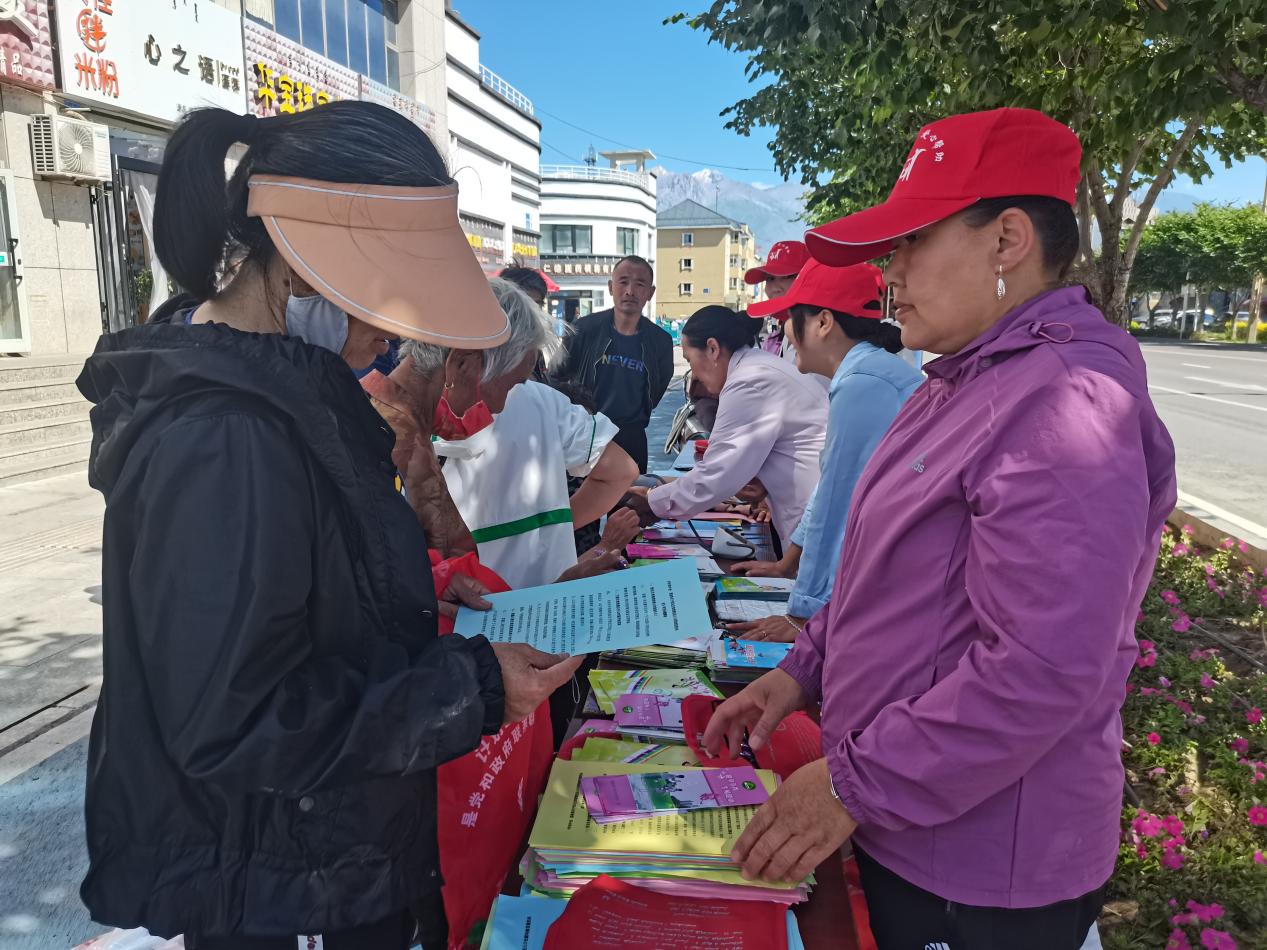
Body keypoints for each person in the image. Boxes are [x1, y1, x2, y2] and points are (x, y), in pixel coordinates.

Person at [75, 103, 582, 950]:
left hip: (320, 861)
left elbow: (286, 598)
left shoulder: (279, 400)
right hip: (282, 885)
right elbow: (233, 717)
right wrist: (474, 688)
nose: (390, 337)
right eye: (382, 301)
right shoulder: (226, 433)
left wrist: (399, 596)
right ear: (302, 271)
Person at [703, 108, 1176, 950]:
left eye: (911, 242)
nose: (888, 271)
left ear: (1006, 241)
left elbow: (1040, 667)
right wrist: (801, 673)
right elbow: (886, 579)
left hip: (978, 861)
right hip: (907, 816)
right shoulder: (958, 381)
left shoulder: (1063, 400)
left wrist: (849, 785)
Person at [727, 260, 923, 642]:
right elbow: (828, 485)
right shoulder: (864, 372)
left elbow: (837, 503)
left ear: (823, 322)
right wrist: (787, 564)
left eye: (790, 317)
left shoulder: (864, 383)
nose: (785, 331)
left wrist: (803, 617)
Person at [621, 306, 827, 544]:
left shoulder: (749, 382)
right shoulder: (757, 367)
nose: (694, 375)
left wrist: (652, 499)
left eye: (689, 360)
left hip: (811, 522)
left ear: (713, 349)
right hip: (809, 516)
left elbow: (716, 474)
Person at [556, 255, 673, 473]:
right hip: (585, 435)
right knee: (582, 494)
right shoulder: (584, 329)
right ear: (611, 287)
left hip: (632, 438)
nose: (630, 291)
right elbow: (557, 376)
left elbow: (656, 390)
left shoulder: (661, 341)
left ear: (650, 293)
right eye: (623, 282)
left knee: (632, 493)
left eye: (640, 284)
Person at [744, 240, 809, 358]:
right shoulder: (774, 340)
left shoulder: (825, 336)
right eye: (770, 279)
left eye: (786, 276)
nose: (774, 288)